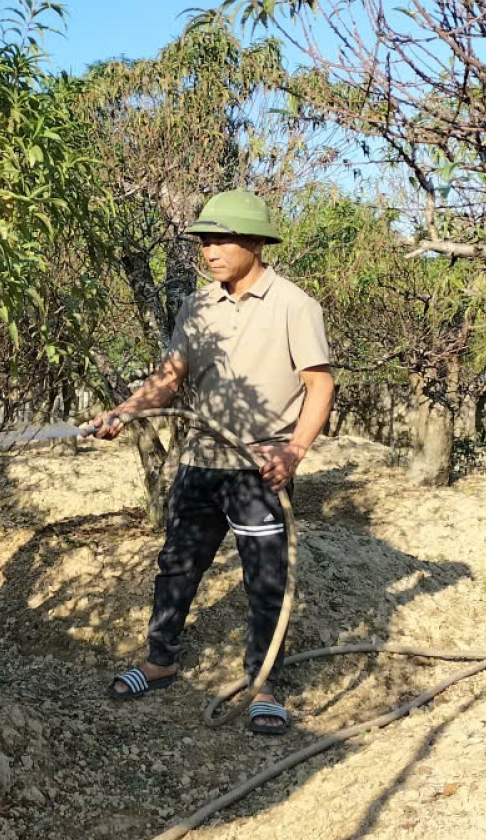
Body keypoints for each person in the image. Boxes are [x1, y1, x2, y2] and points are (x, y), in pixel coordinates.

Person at [88, 189, 334, 736]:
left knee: (265, 579)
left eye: (221, 240)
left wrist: (293, 451)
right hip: (201, 463)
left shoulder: (295, 306)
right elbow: (170, 378)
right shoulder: (197, 306)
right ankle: (160, 660)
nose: (209, 251)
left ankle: (264, 685)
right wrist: (124, 412)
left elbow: (320, 386)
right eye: (204, 241)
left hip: (259, 471)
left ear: (255, 243)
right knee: (177, 564)